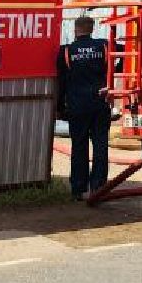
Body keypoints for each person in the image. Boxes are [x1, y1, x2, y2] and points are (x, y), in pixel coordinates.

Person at [57, 15, 112, 201]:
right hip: (100, 104)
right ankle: (98, 187)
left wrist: (59, 107)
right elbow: (117, 64)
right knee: (100, 145)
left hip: (77, 106)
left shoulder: (66, 51)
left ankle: (78, 189)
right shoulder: (104, 46)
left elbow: (61, 83)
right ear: (92, 29)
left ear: (75, 29)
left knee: (79, 146)